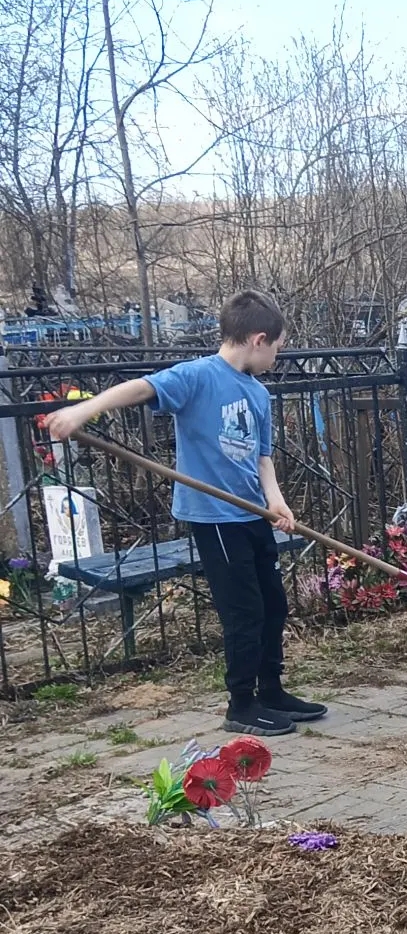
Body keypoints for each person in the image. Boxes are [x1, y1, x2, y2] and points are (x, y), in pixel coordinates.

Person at [46, 290, 325, 738]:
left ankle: (271, 692)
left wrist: (275, 501)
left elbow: (262, 458)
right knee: (244, 611)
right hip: (215, 516)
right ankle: (241, 704)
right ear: (259, 339)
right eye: (277, 347)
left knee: (273, 604)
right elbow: (142, 388)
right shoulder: (197, 376)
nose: (277, 356)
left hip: (252, 512)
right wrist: (84, 410)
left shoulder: (258, 393)